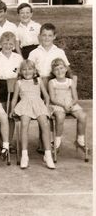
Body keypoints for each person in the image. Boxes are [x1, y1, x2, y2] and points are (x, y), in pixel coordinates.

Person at [28, 23, 69, 153]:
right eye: (44, 35)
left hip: (54, 84)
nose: (46, 38)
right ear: (39, 36)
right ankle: (43, 142)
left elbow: (67, 70)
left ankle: (52, 141)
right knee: (43, 112)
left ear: (54, 36)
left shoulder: (59, 52)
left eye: (49, 35)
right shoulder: (34, 52)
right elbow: (30, 70)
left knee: (53, 112)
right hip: (39, 84)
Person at [9, 60, 55, 169]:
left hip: (38, 104)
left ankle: (48, 155)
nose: (27, 71)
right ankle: (24, 155)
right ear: (20, 71)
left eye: (30, 69)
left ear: (34, 71)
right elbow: (14, 99)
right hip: (25, 104)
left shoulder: (38, 81)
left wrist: (47, 106)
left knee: (44, 123)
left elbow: (47, 97)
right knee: (24, 124)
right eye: (24, 69)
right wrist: (11, 110)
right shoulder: (19, 83)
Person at [0, 31, 23, 153]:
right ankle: (2, 142)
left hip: (14, 86)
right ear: (0, 43)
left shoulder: (18, 57)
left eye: (10, 43)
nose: (8, 46)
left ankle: (8, 142)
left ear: (14, 45)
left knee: (11, 114)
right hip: (1, 86)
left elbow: (20, 74)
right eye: (5, 43)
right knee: (2, 115)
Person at [48, 58, 87, 151]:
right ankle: (57, 141)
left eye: (61, 68)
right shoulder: (52, 82)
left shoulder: (70, 81)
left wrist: (70, 104)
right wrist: (63, 106)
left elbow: (75, 98)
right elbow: (52, 99)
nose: (59, 71)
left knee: (83, 116)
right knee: (60, 117)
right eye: (56, 69)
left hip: (70, 103)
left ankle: (80, 140)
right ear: (53, 72)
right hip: (57, 104)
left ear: (66, 69)